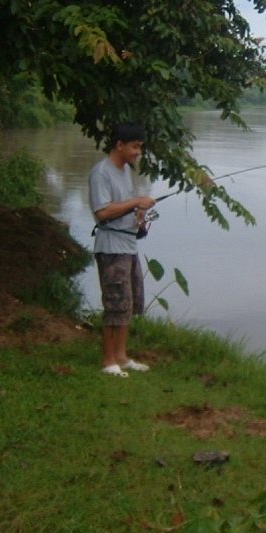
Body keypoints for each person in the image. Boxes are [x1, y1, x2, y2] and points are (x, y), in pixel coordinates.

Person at [88, 122, 157, 377]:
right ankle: (108, 362)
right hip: (111, 248)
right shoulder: (101, 173)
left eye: (140, 147)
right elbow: (102, 212)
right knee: (115, 303)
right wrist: (136, 201)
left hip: (128, 245)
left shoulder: (124, 171)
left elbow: (121, 207)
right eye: (135, 147)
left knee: (128, 303)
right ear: (119, 145)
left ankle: (122, 357)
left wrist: (137, 212)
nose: (138, 152)